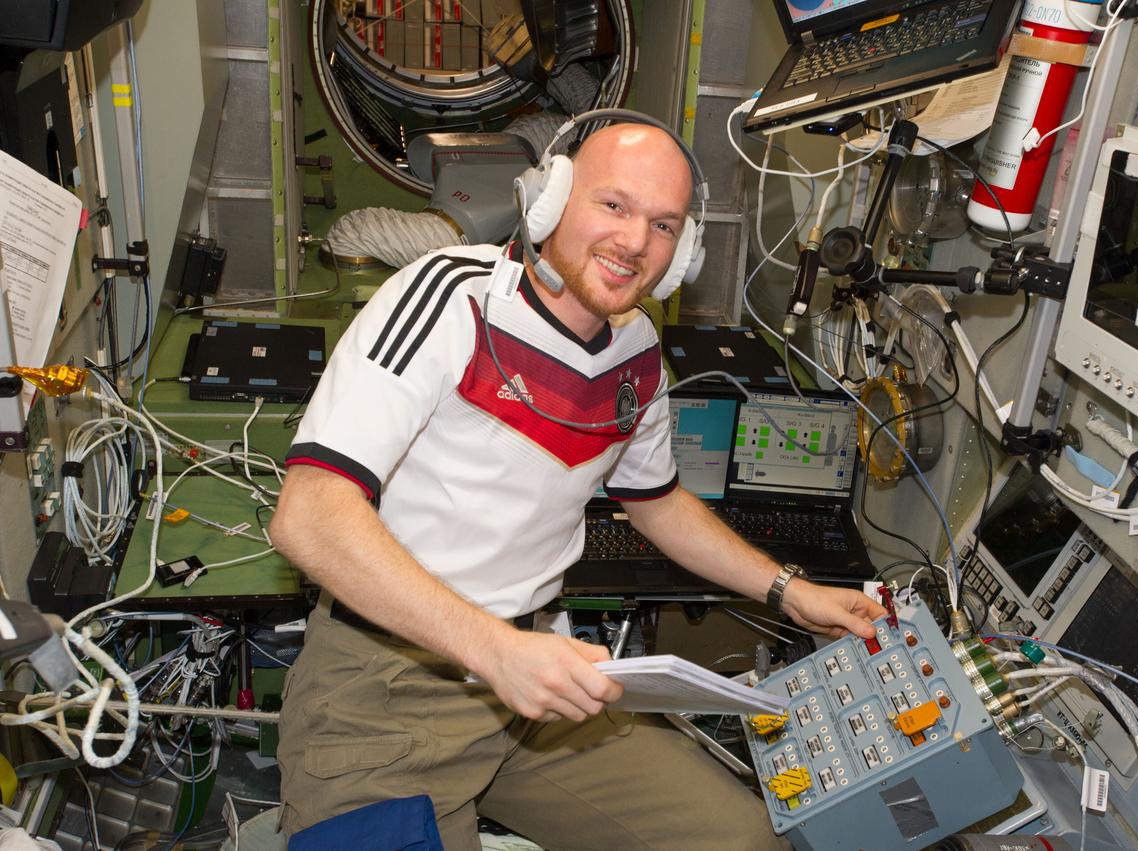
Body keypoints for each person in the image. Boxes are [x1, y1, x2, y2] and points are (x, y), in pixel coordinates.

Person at [270, 119, 886, 850]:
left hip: (538, 682)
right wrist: (496, 651)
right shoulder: (448, 299)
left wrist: (792, 589)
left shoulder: (638, 349)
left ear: (684, 249)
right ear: (549, 199)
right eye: (613, 206)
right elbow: (307, 517)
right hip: (388, 684)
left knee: (742, 841)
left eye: (663, 224)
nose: (634, 243)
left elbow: (656, 501)